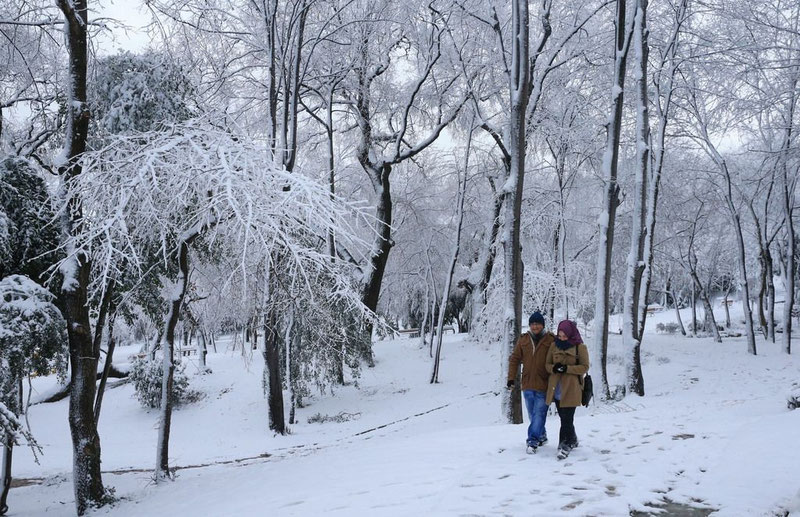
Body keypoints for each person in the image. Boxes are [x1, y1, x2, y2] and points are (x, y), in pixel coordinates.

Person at [507, 311, 555, 454]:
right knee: (532, 415)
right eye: (532, 324)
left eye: (537, 324)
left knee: (539, 414)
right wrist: (510, 378)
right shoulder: (524, 340)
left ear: (542, 325)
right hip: (527, 384)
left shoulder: (550, 340)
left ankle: (532, 442)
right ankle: (542, 435)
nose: (535, 327)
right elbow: (515, 359)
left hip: (544, 384)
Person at [545, 319, 590, 460]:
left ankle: (564, 444)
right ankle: (573, 438)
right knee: (563, 417)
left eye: (565, 336)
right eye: (560, 335)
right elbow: (547, 364)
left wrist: (567, 369)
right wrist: (554, 368)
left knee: (567, 418)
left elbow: (584, 367)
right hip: (557, 388)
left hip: (572, 389)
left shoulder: (579, 347)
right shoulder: (554, 346)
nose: (562, 338)